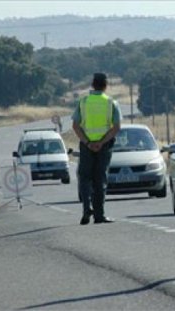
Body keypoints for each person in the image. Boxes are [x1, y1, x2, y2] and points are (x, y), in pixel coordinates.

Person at [72, 73, 122, 225]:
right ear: (105, 85)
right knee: (100, 179)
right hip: (104, 146)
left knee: (85, 178)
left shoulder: (83, 101)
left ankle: (87, 209)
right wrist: (101, 142)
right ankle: (99, 215)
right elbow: (116, 127)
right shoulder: (111, 103)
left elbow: (75, 126)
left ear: (92, 85)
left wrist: (87, 143)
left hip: (86, 146)